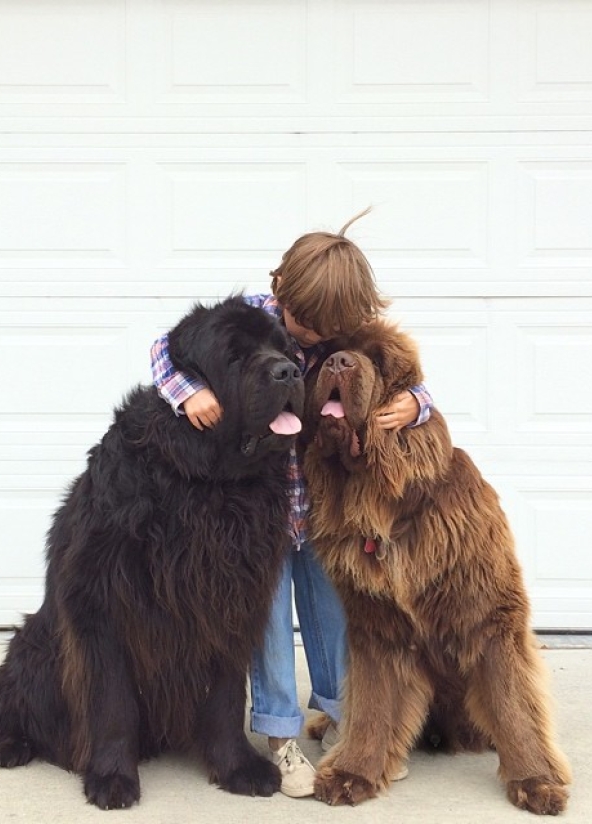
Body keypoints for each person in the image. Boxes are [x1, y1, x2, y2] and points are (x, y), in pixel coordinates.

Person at [150, 209, 433, 798]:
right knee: (269, 626)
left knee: (334, 616)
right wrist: (189, 391)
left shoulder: (345, 334)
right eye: (301, 321)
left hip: (328, 515)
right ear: (280, 286)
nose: (306, 336)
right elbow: (163, 349)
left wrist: (416, 404)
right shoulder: (250, 319)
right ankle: (279, 736)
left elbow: (401, 375)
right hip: (260, 516)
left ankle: (340, 718)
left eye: (320, 328)